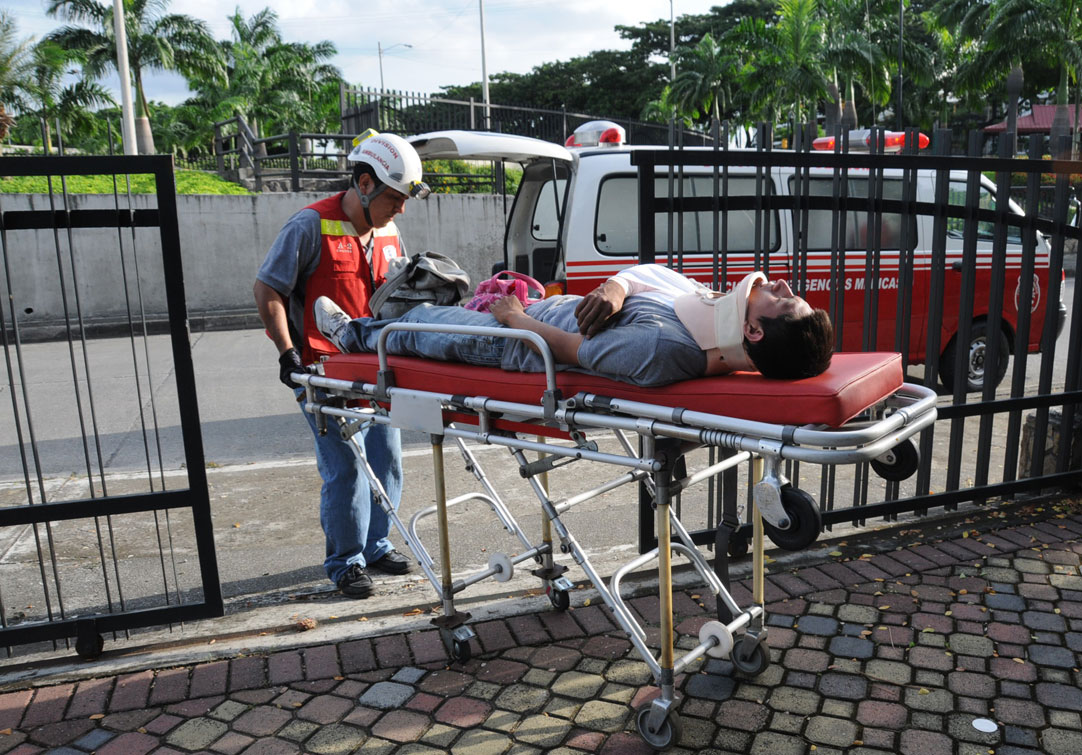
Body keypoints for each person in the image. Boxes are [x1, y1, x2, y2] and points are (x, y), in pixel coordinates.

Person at [253, 130, 431, 598]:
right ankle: (346, 562)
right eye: (396, 196)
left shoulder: (389, 229)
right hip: (323, 373)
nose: (402, 208)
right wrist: (286, 352)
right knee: (346, 469)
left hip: (377, 371)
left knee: (387, 461)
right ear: (366, 183)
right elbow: (268, 289)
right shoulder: (309, 226)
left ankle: (375, 545)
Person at [313, 263, 834, 387]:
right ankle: (368, 326)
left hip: (518, 343)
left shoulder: (663, 351)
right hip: (544, 311)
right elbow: (651, 275)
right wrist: (615, 288)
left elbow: (566, 350)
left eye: (788, 304)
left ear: (756, 333)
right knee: (441, 311)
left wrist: (515, 319)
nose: (787, 288)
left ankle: (350, 335)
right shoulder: (715, 315)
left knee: (424, 324)